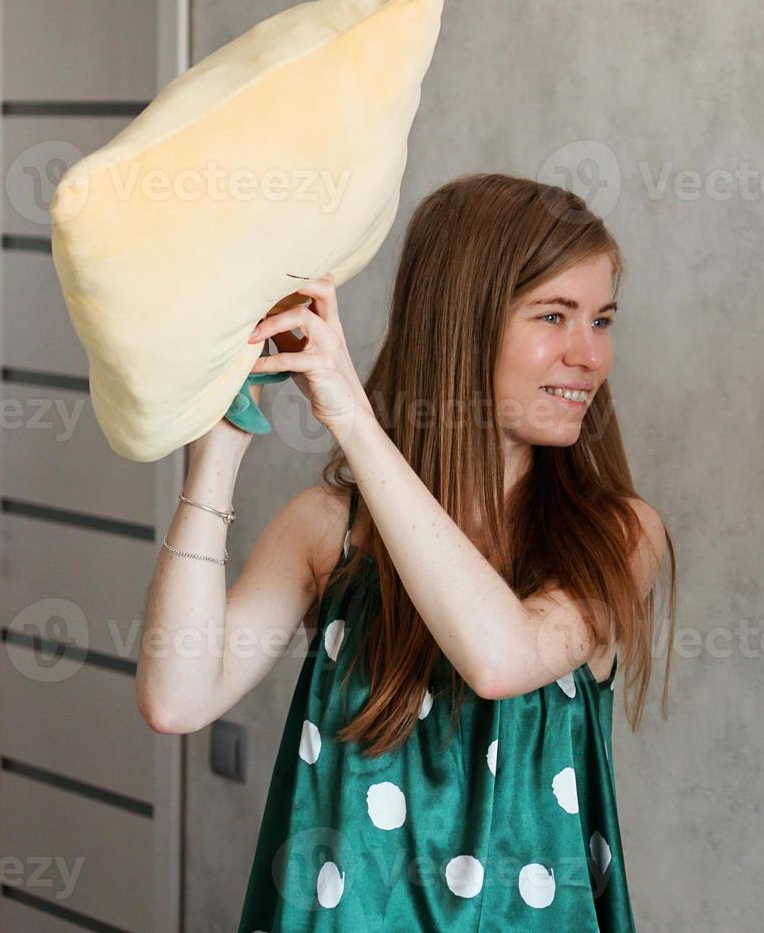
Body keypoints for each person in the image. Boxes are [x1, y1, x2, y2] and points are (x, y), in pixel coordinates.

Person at [135, 173, 674, 931]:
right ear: (461, 327)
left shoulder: (618, 535)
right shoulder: (329, 529)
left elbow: (497, 660)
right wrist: (221, 436)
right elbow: (176, 698)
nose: (590, 355)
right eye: (554, 316)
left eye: (602, 320)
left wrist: (350, 413)